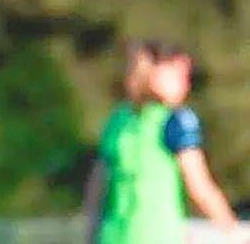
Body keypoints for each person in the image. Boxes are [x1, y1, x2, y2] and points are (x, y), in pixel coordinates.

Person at [85, 41, 246, 243]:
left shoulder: (118, 121)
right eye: (180, 75)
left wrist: (91, 234)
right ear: (158, 74)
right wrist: (233, 231)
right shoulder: (176, 120)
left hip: (114, 235)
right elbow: (199, 185)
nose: (185, 84)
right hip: (158, 235)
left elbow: (97, 188)